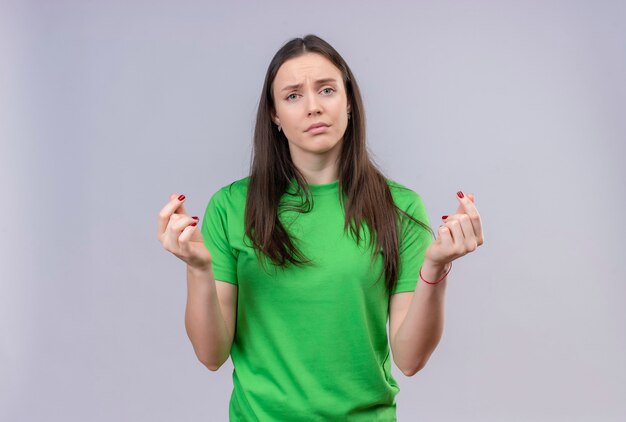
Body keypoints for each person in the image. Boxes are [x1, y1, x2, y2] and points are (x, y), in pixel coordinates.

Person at [157, 34, 484, 421]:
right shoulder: (231, 207)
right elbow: (211, 355)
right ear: (275, 115)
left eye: (326, 90)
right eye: (293, 96)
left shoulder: (399, 207)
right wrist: (199, 269)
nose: (313, 107)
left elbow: (410, 360)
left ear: (348, 101)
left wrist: (435, 269)